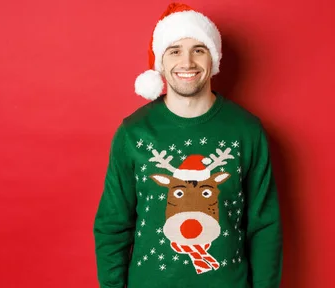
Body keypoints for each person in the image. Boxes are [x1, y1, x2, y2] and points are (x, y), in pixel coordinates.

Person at [93, 3, 283, 288]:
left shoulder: (247, 131)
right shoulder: (133, 133)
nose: (187, 62)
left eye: (198, 49)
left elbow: (265, 225)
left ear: (213, 58)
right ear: (161, 61)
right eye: (175, 50)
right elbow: (112, 225)